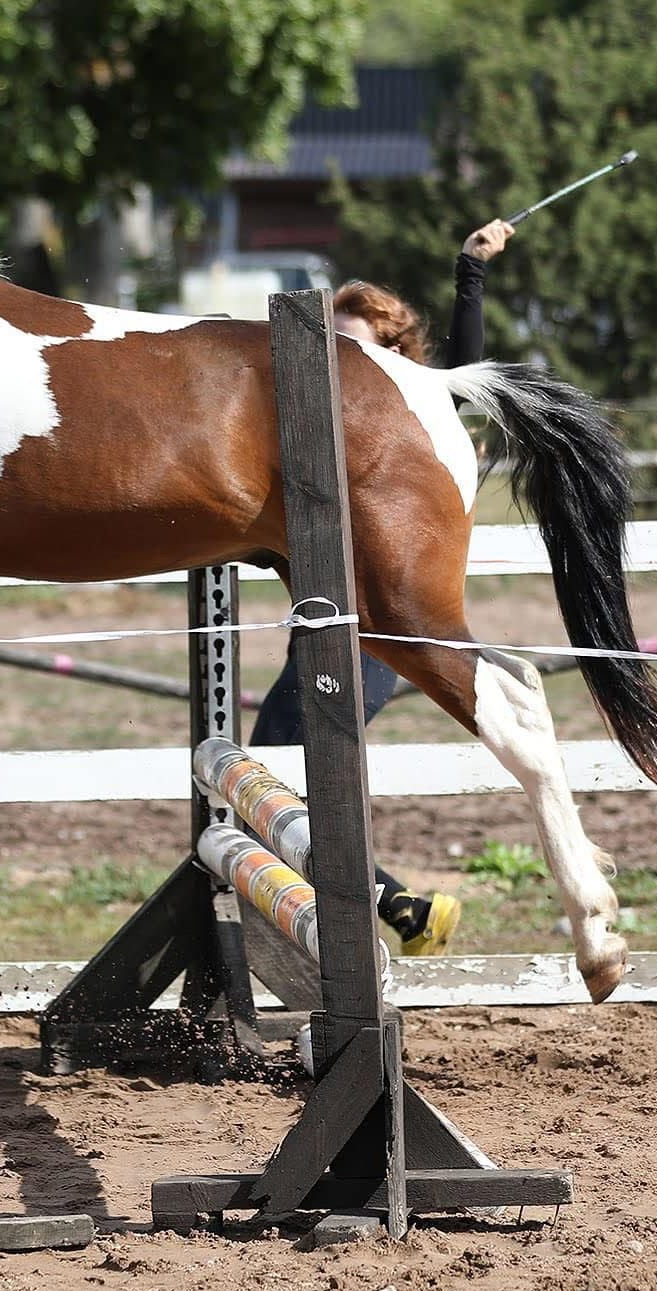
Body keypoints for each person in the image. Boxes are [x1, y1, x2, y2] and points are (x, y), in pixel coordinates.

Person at [250, 217, 514, 957]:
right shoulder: (306, 422)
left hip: (372, 637)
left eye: (351, 349)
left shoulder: (409, 410)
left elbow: (469, 366)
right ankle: (394, 908)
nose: (333, 367)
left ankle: (395, 908)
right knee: (271, 786)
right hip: (324, 632)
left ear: (394, 357)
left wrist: (471, 272)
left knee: (283, 787)